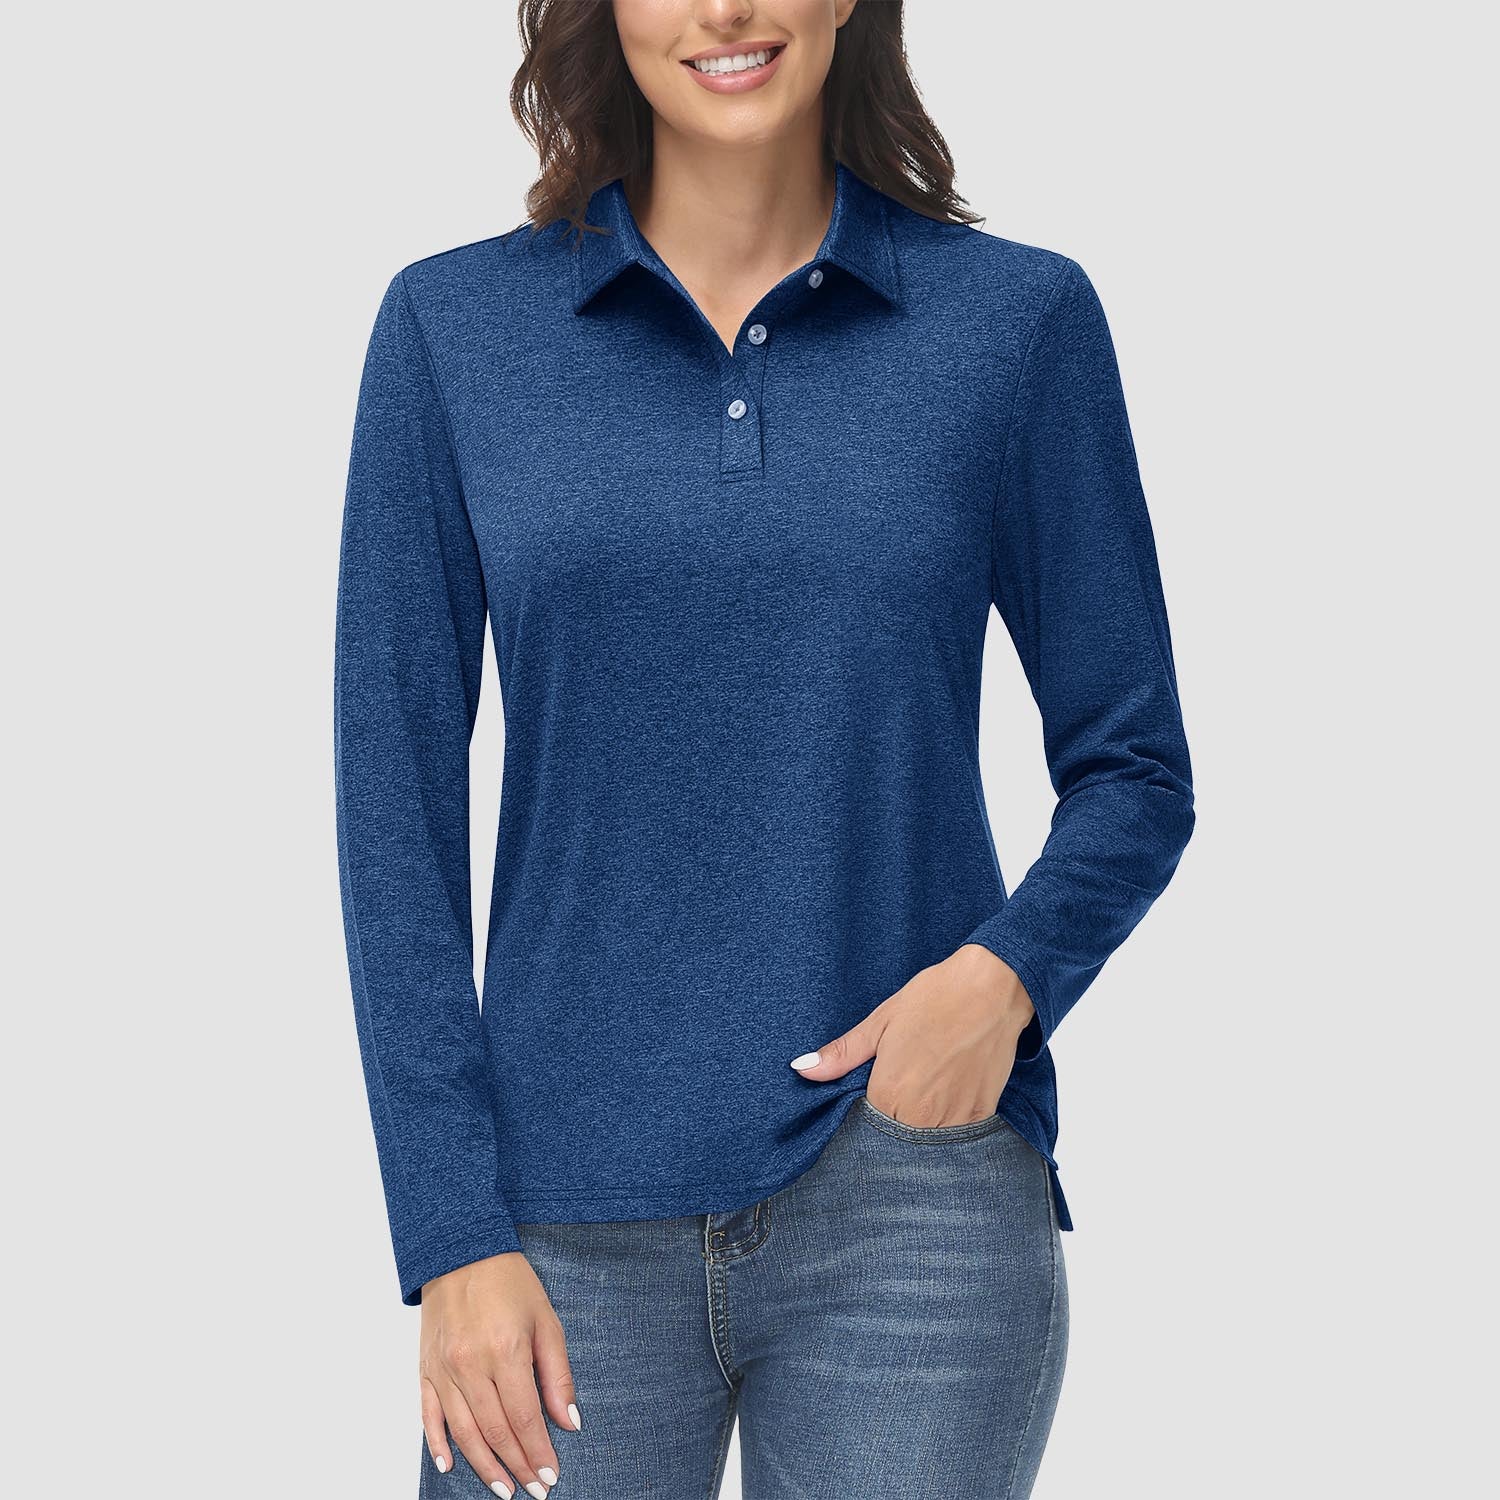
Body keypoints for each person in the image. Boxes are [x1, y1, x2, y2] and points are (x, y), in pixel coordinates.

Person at [333, 1, 1195, 1495]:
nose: (726, 9)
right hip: (551, 1223)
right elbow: (392, 815)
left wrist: (1001, 983)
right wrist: (449, 1231)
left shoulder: (1014, 323)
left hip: (913, 1208)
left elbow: (1135, 765)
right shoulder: (453, 331)